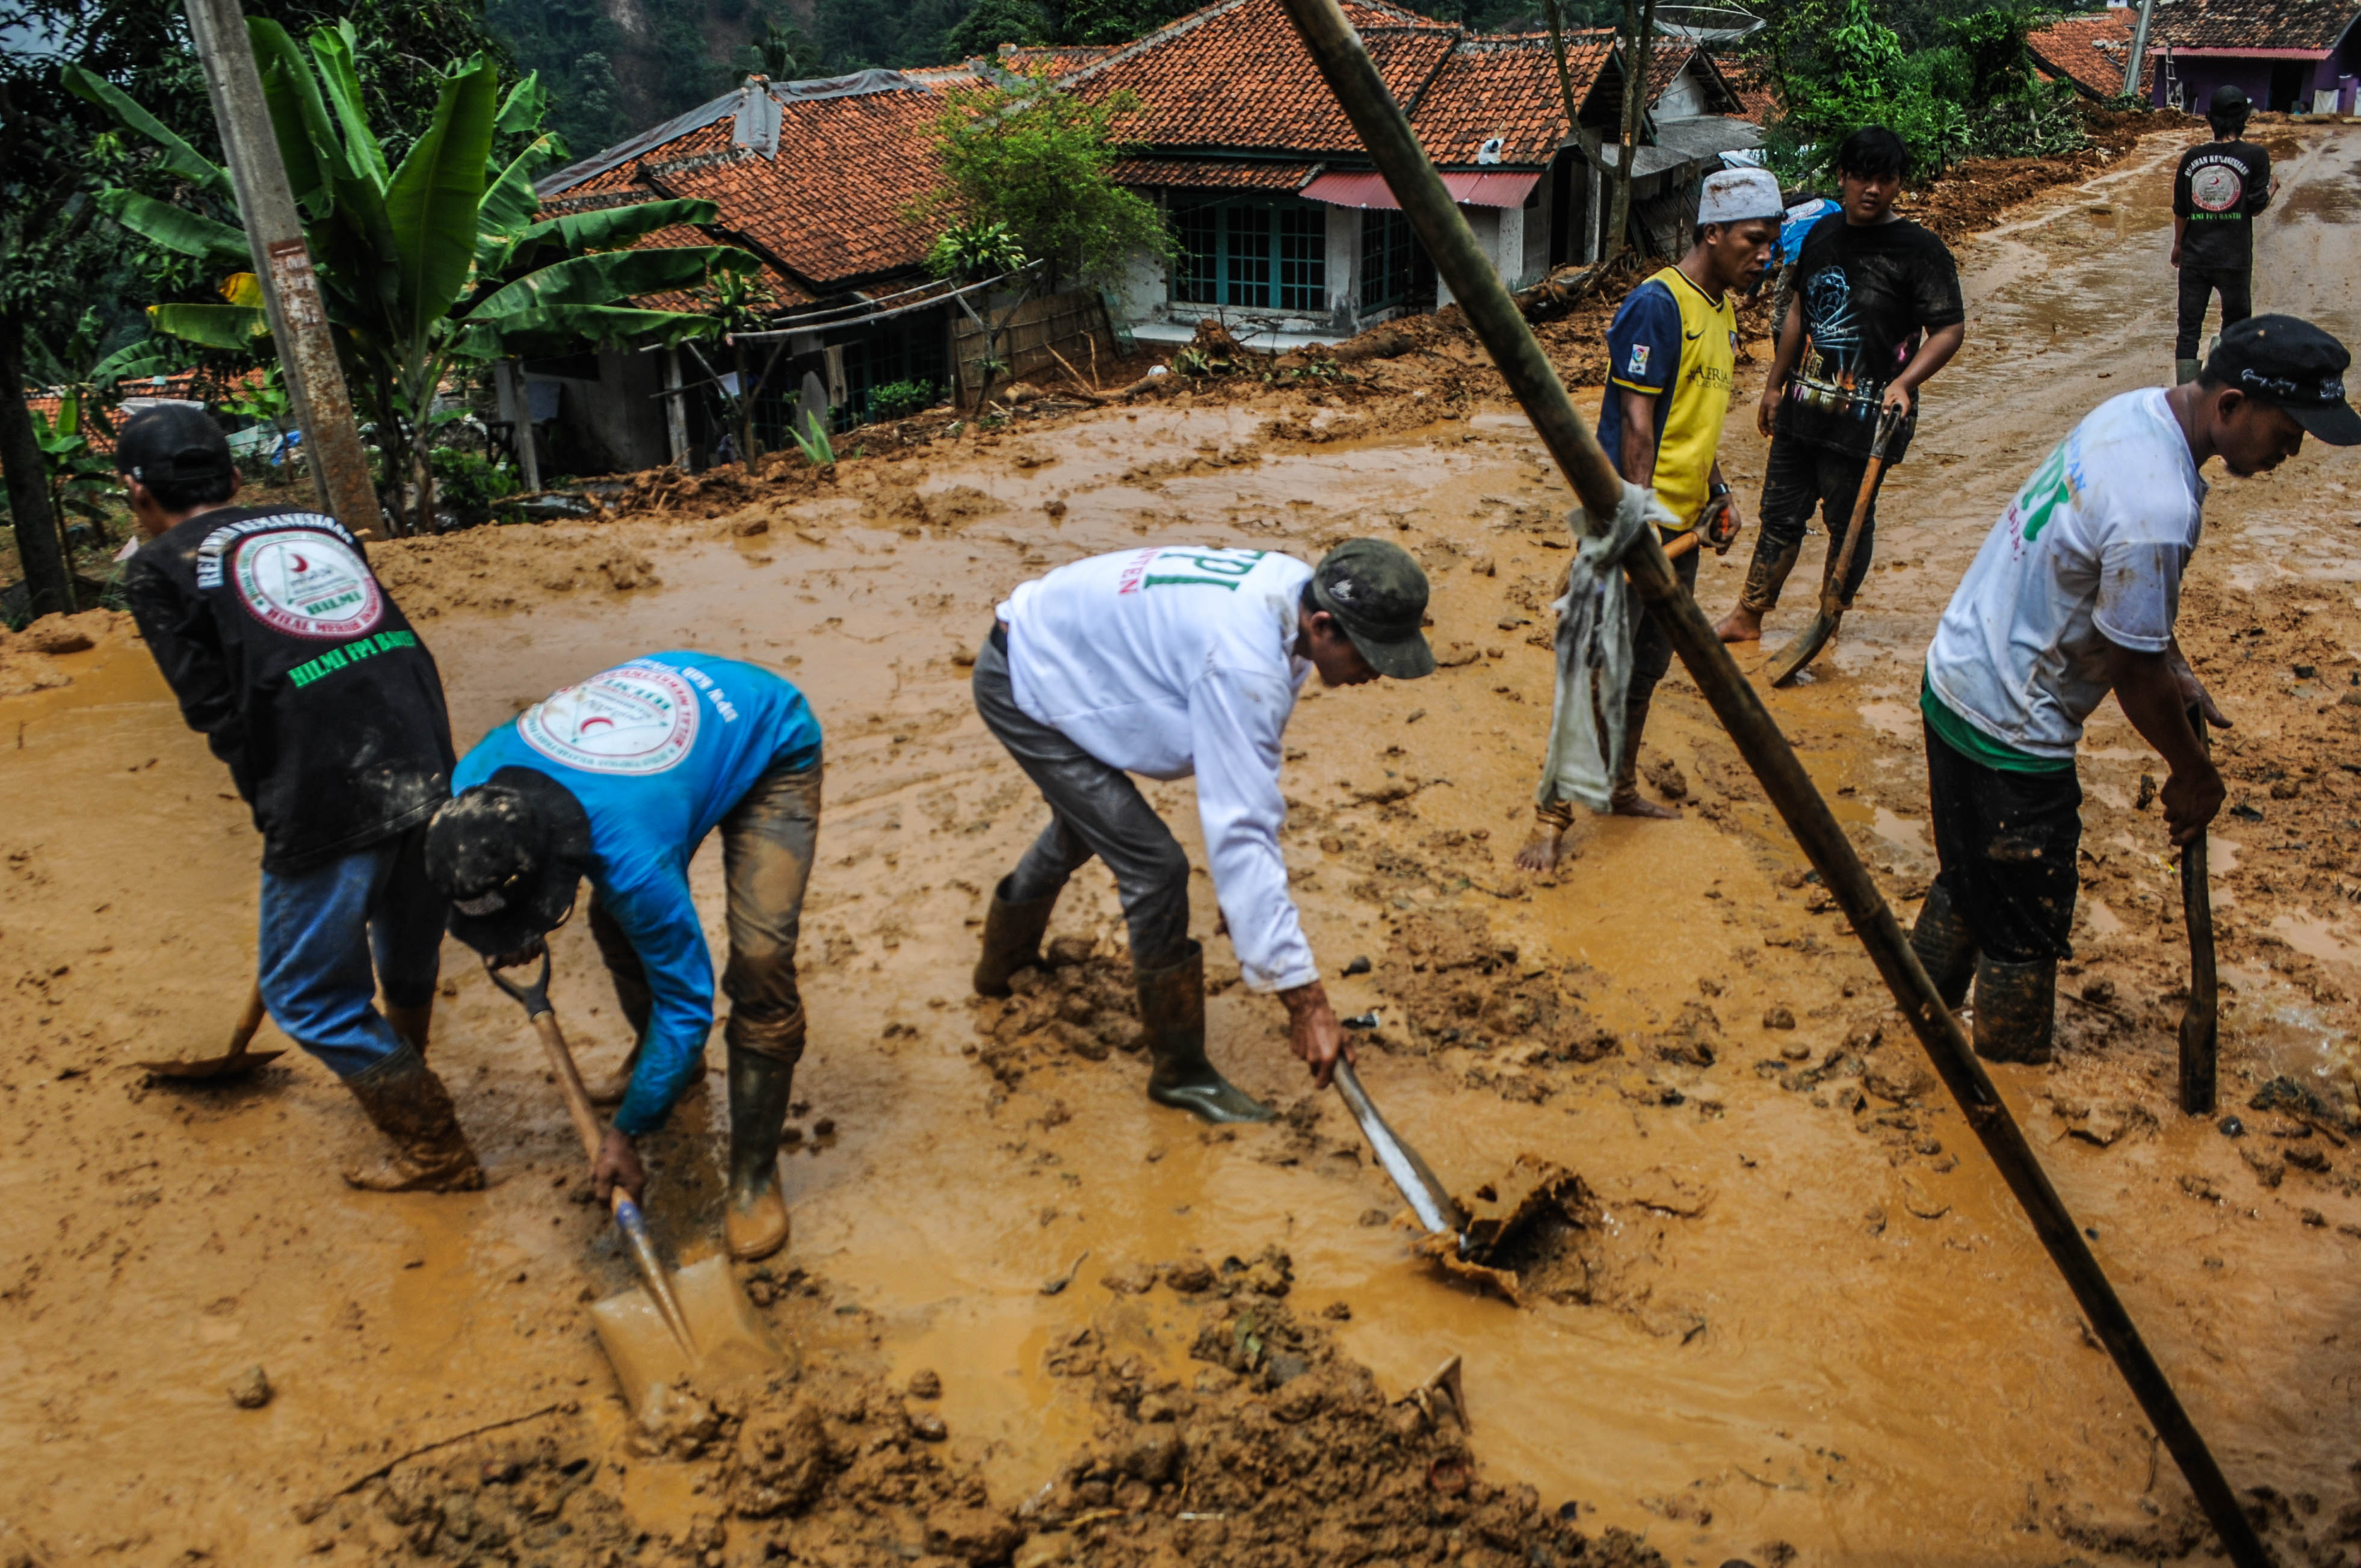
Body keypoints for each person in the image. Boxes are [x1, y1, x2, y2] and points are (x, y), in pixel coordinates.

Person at [1912, 315, 2359, 1064]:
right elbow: (2132, 669)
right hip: (2013, 733)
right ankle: (2007, 1085)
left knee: (1971, 873)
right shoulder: (2160, 507)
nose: (2293, 448)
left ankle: (1918, 1028)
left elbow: (2114, 597)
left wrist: (2173, 661)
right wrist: (2193, 773)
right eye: (2289, 428)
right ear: (2232, 406)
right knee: (2024, 920)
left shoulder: (2134, 413)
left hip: (1956, 675)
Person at [117, 404, 478, 1191]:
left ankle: (434, 1146)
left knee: (305, 995)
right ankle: (405, 1069)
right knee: (407, 944)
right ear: (236, 477)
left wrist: (282, 824)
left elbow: (214, 711)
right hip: (424, 746)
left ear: (137, 495)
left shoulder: (156, 566)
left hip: (325, 777)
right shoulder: (321, 526)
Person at [970, 542, 1435, 1123]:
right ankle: (1180, 1073)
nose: (1377, 673)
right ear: (1323, 625)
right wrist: (1307, 1004)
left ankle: (999, 970)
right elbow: (1241, 823)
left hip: (1064, 656)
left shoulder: (1289, 591)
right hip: (1026, 679)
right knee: (1154, 867)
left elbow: (1243, 779)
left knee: (1090, 826)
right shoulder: (1244, 658)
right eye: (1371, 655)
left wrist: (1244, 902)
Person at [424, 653, 822, 1261]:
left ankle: (753, 1177)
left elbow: (689, 1005)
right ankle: (667, 1071)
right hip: (662, 750)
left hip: (769, 741)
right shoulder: (473, 782)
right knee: (616, 924)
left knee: (762, 962)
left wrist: (627, 1133)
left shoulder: (633, 860)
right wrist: (515, 926)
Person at [1516, 167, 1785, 875]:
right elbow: (1636, 423)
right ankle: (1549, 818)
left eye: (1773, 241)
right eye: (1756, 240)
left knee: (1644, 674)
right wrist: (1636, 528)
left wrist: (1718, 490)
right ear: (1714, 232)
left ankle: (1620, 786)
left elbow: (1693, 425)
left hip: (1682, 528)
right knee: (1592, 669)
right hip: (1634, 527)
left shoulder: (1722, 311)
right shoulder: (1656, 306)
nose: (1767, 255)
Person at [1716, 125, 1966, 646]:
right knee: (1779, 514)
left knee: (1848, 524)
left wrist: (1905, 381)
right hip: (1804, 407)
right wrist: (1773, 387)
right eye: (1861, 178)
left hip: (1871, 417)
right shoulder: (1822, 237)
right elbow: (1799, 317)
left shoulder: (1920, 250)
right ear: (1843, 178)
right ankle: (1749, 614)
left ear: (1898, 185)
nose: (1871, 190)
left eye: (1884, 180)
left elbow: (1949, 328)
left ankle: (1830, 617)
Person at [2171, 85, 2278, 386]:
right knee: (2235, 325)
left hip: (2195, 256)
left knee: (2189, 328)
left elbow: (2182, 209)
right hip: (2234, 259)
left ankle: (2187, 396)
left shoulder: (2192, 158)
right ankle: (2222, 387)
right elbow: (2256, 208)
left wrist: (2178, 245)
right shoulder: (2256, 156)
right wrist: (2273, 188)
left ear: (2209, 119)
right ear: (2244, 119)